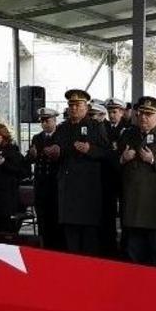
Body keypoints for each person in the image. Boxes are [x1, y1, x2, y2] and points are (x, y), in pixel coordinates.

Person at [48, 89, 112, 255]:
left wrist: (90, 149)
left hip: (87, 190)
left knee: (88, 239)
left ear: (86, 106)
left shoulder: (95, 126)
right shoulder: (62, 128)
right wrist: (54, 151)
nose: (73, 108)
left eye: (77, 105)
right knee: (70, 238)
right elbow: (58, 150)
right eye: (71, 105)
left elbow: (107, 153)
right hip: (68, 189)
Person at [118, 96, 156, 266]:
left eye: (148, 114)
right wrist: (122, 159)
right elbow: (114, 160)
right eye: (140, 114)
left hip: (155, 203)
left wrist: (154, 160)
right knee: (133, 250)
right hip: (133, 201)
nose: (143, 118)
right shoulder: (129, 134)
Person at [26, 108, 64, 250]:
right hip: (41, 186)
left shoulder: (60, 136)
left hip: (55, 185)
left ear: (54, 120)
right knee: (42, 222)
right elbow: (30, 159)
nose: (45, 124)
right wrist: (32, 155)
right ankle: (44, 248)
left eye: (47, 121)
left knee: (55, 223)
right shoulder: (37, 138)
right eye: (42, 121)